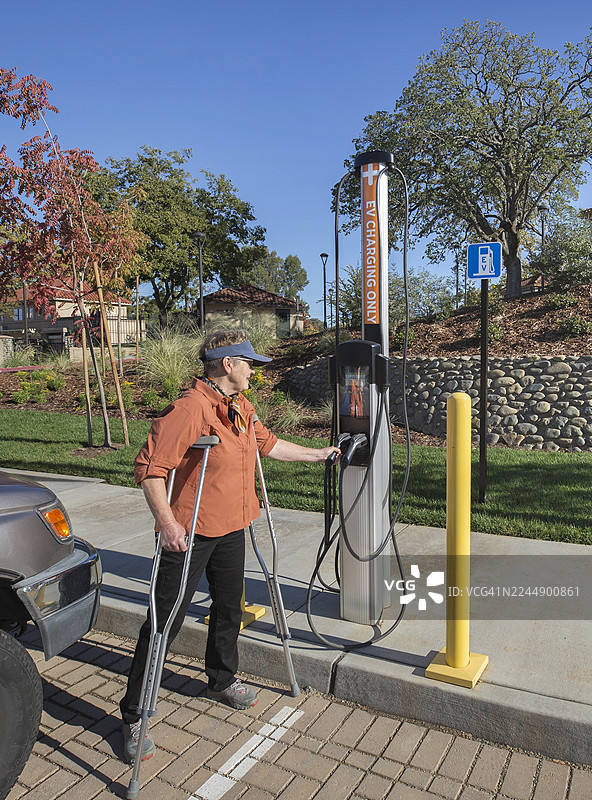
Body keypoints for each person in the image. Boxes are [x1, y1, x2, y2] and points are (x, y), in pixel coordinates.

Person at [120, 329, 340, 763]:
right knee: (164, 621)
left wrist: (319, 455)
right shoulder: (190, 409)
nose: (253, 369)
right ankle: (134, 714)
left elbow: (269, 446)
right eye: (249, 363)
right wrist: (166, 524)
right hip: (190, 533)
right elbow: (149, 469)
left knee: (228, 609)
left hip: (233, 527)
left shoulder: (240, 407)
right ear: (227, 364)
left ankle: (221, 678)